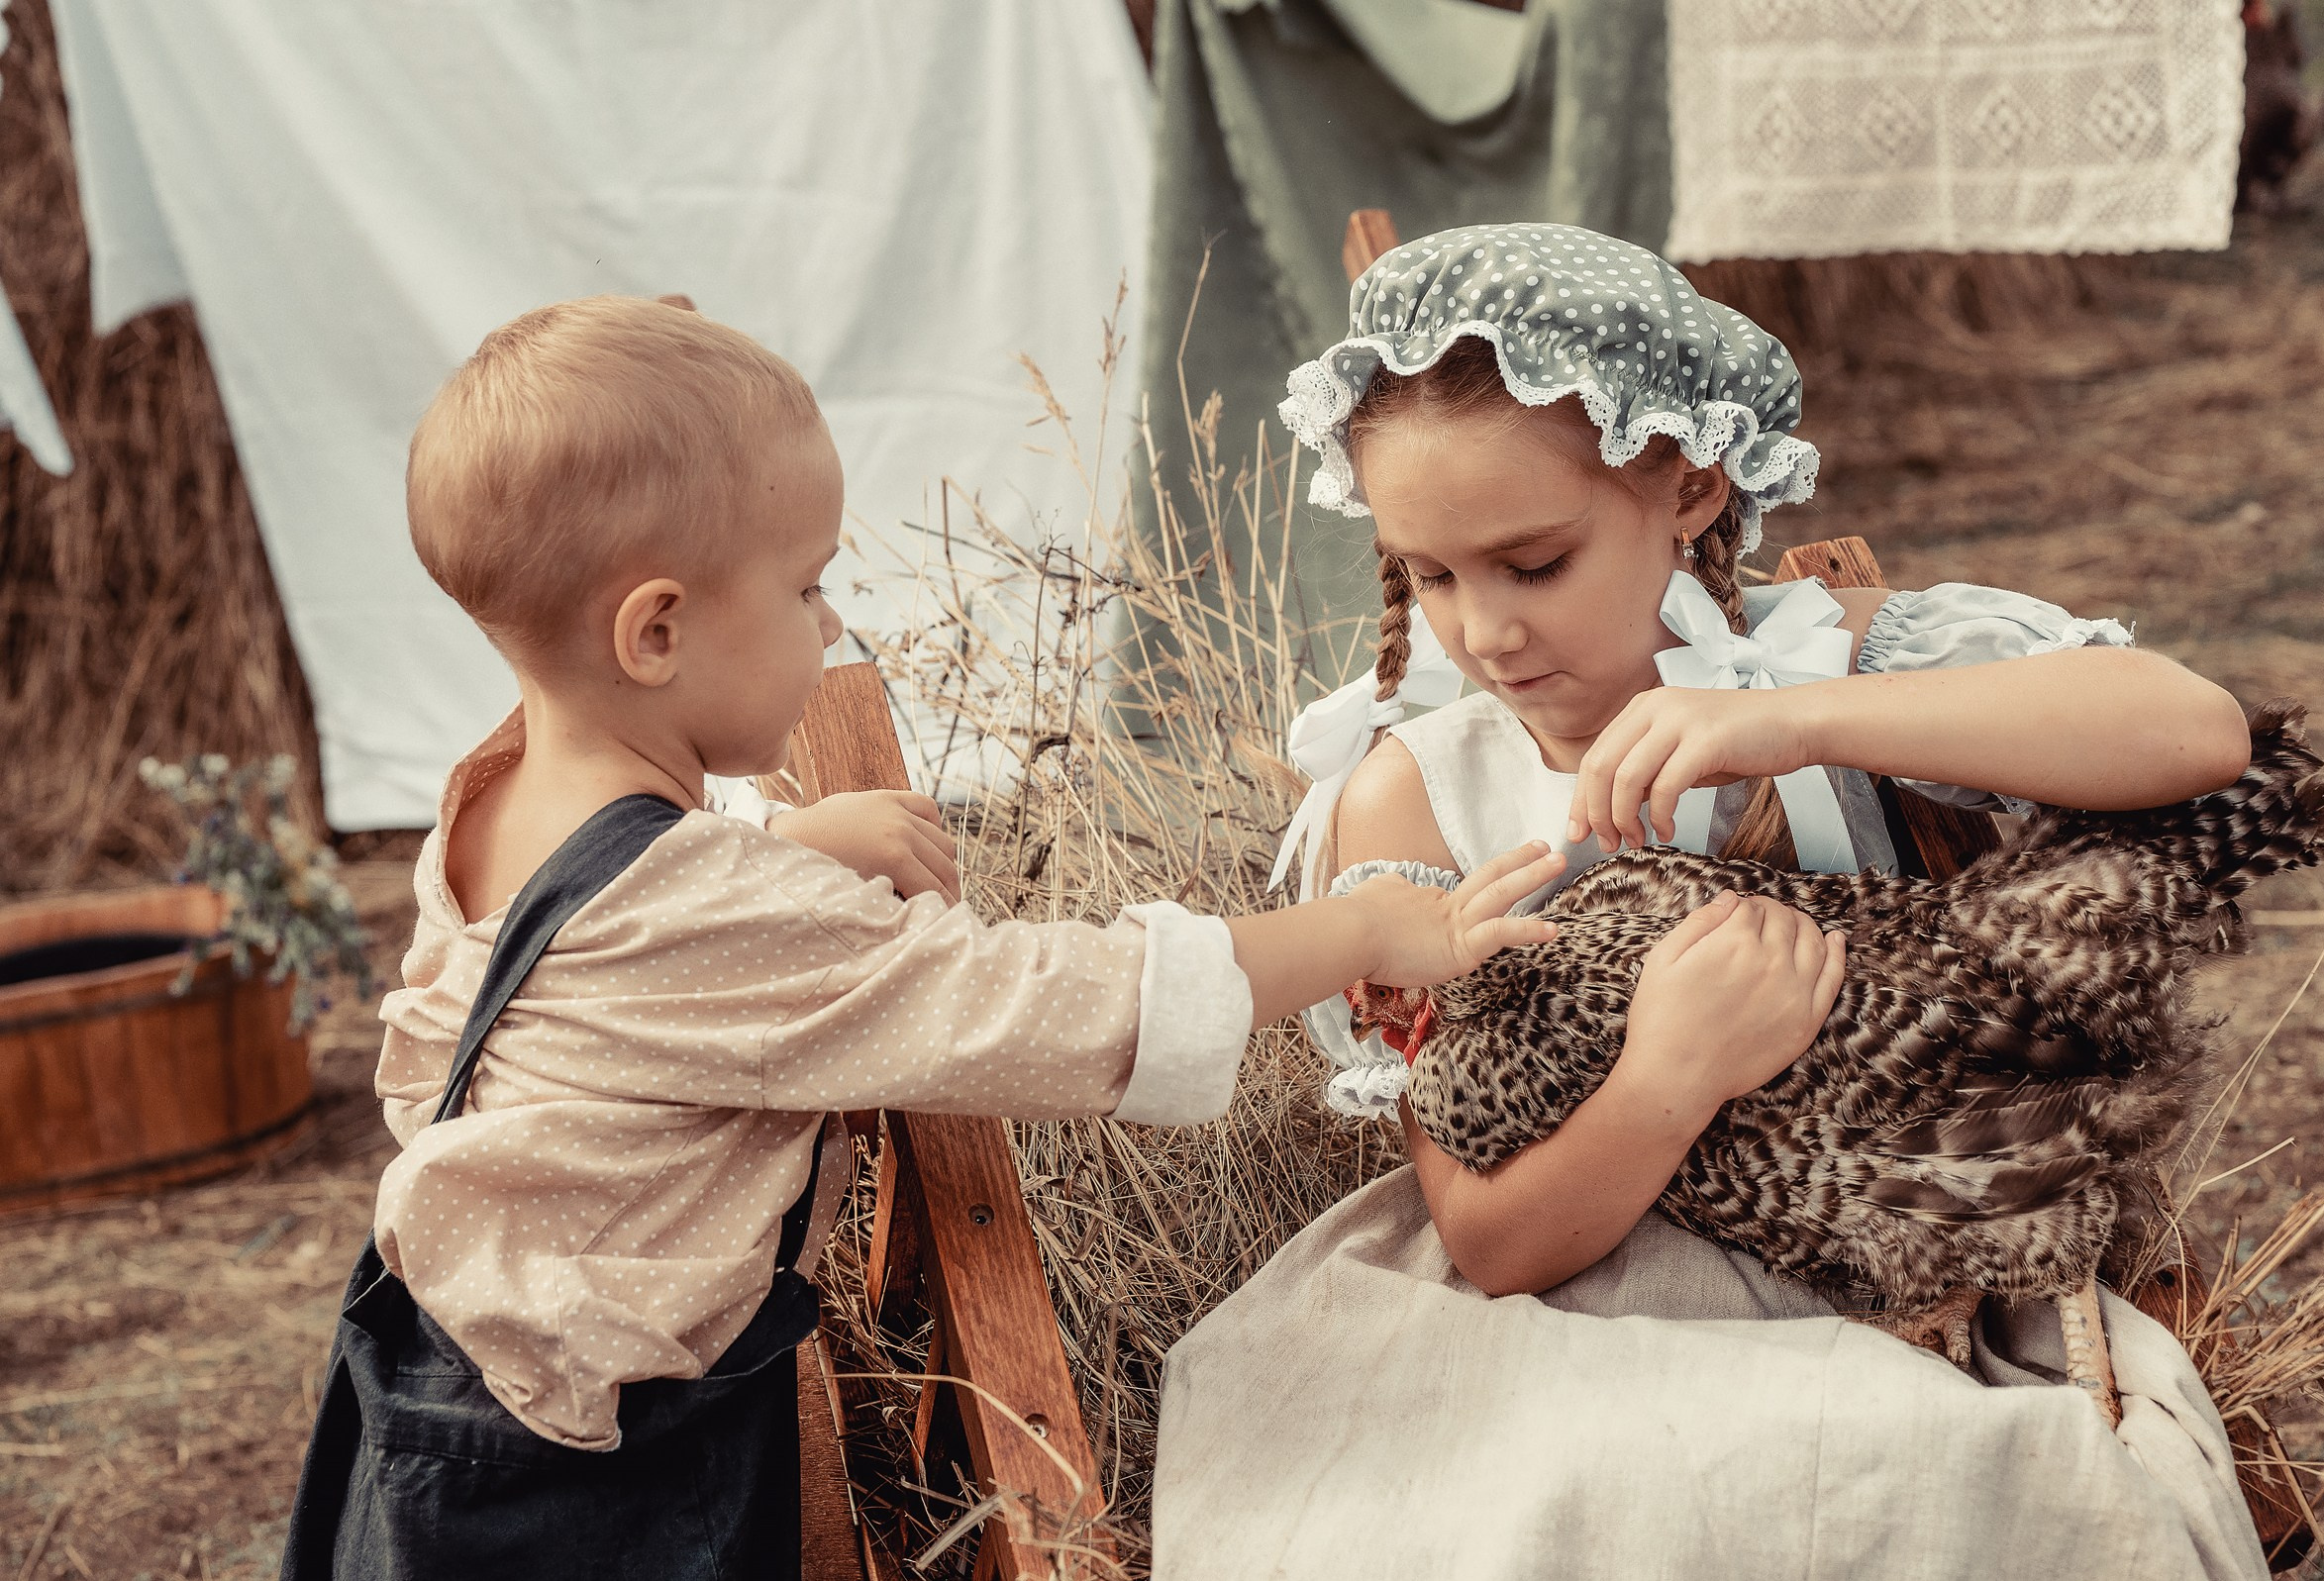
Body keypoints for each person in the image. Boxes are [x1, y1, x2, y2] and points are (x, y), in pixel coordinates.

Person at [277, 294, 1566, 1581]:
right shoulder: (714, 910)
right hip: (591, 1490)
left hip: (452, 1386)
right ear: (656, 632)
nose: (830, 623)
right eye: (806, 585)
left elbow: (599, 948)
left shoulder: (495, 799)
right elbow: (1060, 1003)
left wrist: (790, 844)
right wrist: (1356, 925)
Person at [1152, 225, 2271, 1580]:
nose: (1486, 633)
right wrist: (1671, 1075)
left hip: (1899, 1267)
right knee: (1608, 1490)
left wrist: (1794, 721)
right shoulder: (1416, 801)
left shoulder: (1826, 663)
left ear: (1685, 483)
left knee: (1927, 1478)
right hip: (1579, 1302)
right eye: (1429, 576)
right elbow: (1493, 1242)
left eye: (1534, 563)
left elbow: (2198, 732)